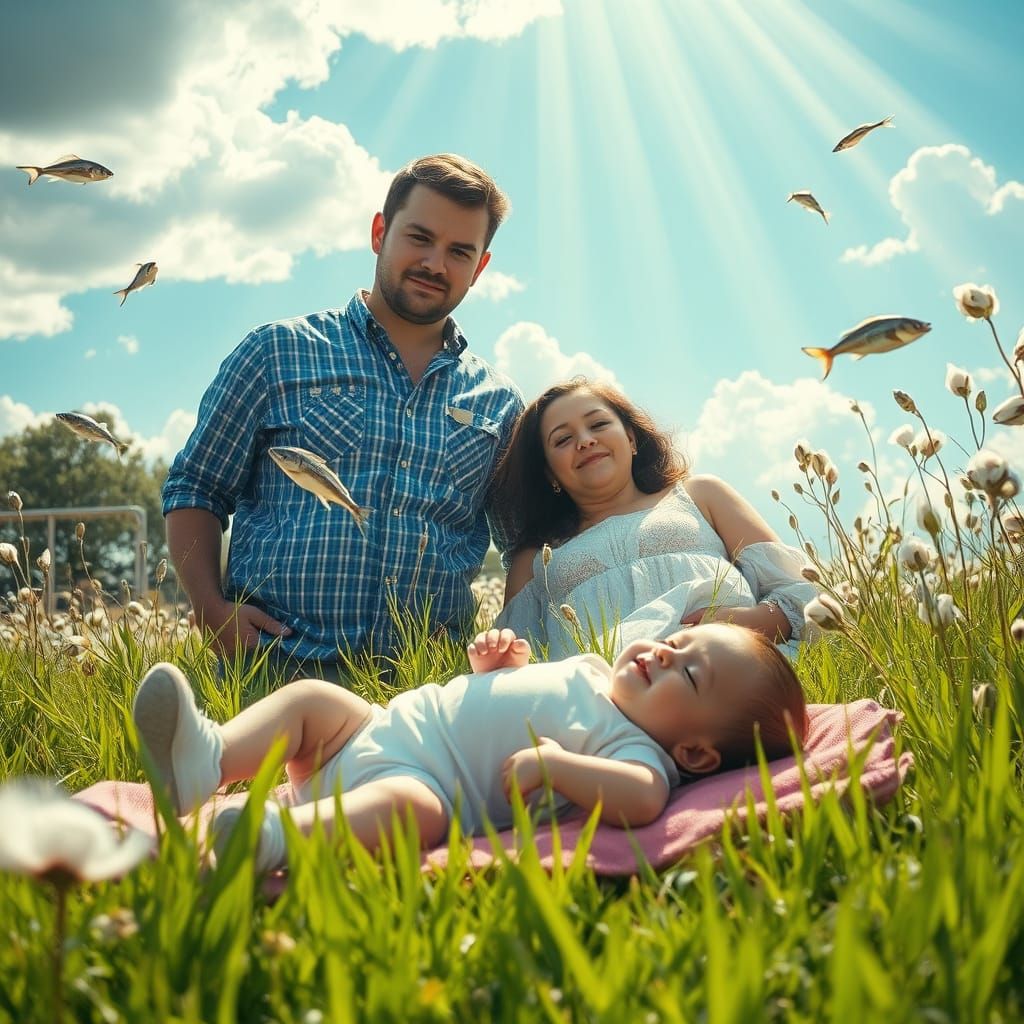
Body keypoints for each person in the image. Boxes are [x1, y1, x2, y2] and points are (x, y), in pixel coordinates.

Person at [162, 154, 525, 683]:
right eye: (419, 238)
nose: (434, 264)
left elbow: (524, 543)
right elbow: (196, 486)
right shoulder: (277, 352)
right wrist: (211, 610)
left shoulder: (500, 402)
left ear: (480, 267)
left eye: (458, 251)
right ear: (380, 232)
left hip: (430, 690)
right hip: (275, 669)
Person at [132, 622, 808, 870]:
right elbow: (504, 708)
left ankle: (273, 837)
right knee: (313, 698)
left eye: (688, 672)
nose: (665, 652)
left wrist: (557, 765)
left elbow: (644, 799)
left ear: (694, 753)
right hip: (368, 728)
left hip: (410, 778)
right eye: (679, 640)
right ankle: (206, 762)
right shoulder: (590, 674)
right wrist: (497, 675)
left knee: (415, 811)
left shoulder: (636, 749)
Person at [492, 379, 817, 660]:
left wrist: (750, 622)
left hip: (727, 675)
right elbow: (516, 663)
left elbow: (801, 590)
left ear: (631, 439)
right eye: (563, 439)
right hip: (605, 708)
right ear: (550, 473)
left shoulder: (701, 495)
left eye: (599, 424)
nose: (586, 440)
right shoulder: (535, 560)